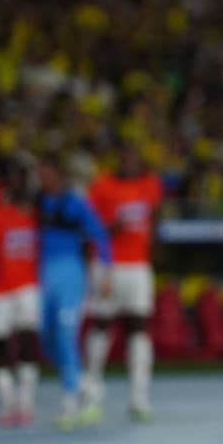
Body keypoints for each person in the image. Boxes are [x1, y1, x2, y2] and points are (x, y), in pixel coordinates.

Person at [83, 145, 164, 421]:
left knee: (139, 326)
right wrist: (112, 229)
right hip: (109, 266)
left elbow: (154, 218)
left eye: (134, 156)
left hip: (138, 267)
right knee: (102, 323)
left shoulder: (149, 184)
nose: (130, 161)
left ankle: (139, 398)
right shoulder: (103, 186)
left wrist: (151, 253)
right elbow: (89, 228)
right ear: (118, 158)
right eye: (126, 156)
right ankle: (91, 393)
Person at [35, 154, 113, 430]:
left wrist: (105, 272)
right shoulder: (36, 203)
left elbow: (100, 235)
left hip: (71, 275)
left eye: (46, 172)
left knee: (67, 334)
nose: (42, 178)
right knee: (47, 337)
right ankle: (85, 385)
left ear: (57, 174)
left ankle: (69, 397)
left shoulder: (75, 203)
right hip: (44, 275)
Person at [0, 167, 42, 426]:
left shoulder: (38, 216)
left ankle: (25, 402)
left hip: (28, 287)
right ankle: (8, 403)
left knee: (28, 340)